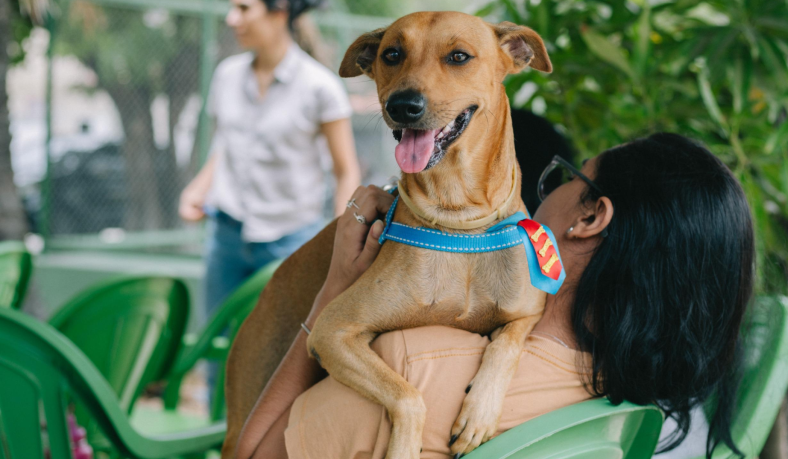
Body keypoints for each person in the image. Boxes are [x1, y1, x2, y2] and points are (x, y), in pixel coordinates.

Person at [234, 133, 754, 459]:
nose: (538, 197)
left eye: (563, 180)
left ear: (589, 217)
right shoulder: (625, 408)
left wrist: (333, 293)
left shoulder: (414, 367)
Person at [179, 0, 361, 313]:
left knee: (280, 351)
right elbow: (225, 145)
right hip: (226, 236)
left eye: (244, 8)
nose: (232, 18)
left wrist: (338, 237)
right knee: (216, 343)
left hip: (290, 242)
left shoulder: (321, 87)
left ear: (279, 12)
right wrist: (198, 188)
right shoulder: (226, 75)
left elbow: (345, 171)